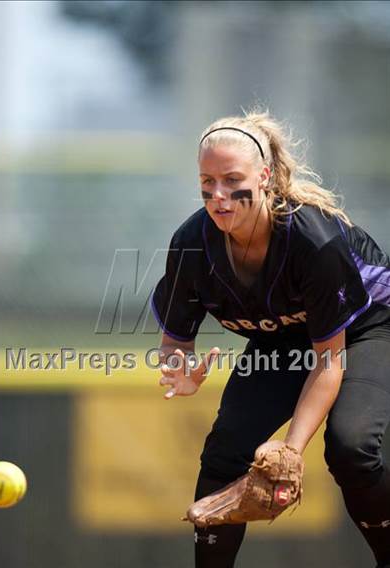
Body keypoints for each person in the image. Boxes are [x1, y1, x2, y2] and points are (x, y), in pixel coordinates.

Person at [151, 109, 390, 568]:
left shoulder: (312, 240)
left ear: (264, 177)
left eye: (232, 178)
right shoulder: (192, 245)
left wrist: (289, 451)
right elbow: (175, 342)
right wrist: (177, 367)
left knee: (351, 448)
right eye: (207, 181)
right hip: (285, 341)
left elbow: (328, 361)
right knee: (225, 453)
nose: (218, 195)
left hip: (366, 329)